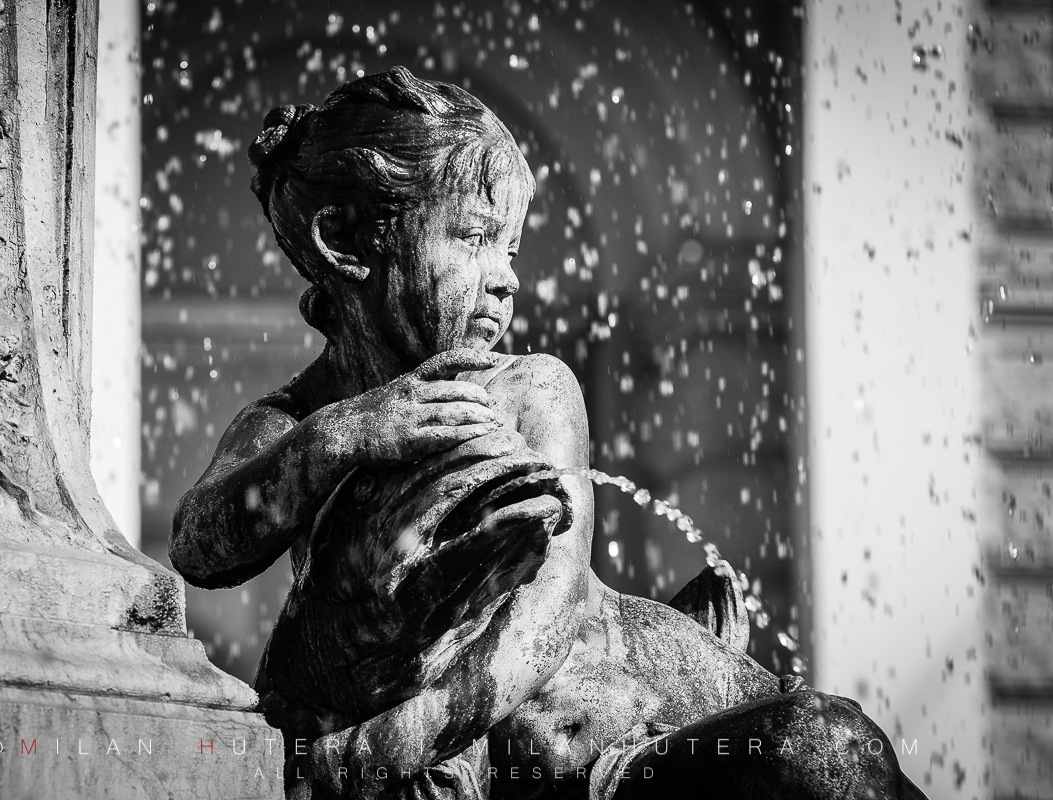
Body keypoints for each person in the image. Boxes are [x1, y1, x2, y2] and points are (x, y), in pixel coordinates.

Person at [170, 67, 925, 800]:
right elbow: (200, 546)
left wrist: (383, 749)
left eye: (512, 249)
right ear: (344, 241)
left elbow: (549, 609)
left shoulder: (530, 386)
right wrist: (348, 434)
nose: (508, 278)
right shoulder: (295, 424)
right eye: (473, 238)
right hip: (515, 763)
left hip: (625, 725)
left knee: (829, 749)